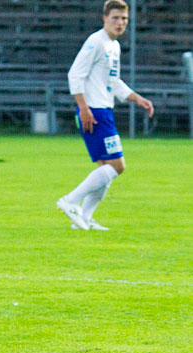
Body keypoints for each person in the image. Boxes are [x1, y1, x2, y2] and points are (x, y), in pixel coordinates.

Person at [58, 0, 154, 231]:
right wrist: (84, 108)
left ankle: (85, 219)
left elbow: (113, 81)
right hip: (94, 112)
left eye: (124, 19)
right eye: (115, 18)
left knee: (105, 168)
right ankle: (70, 201)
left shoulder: (114, 46)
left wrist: (136, 97)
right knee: (118, 165)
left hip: (103, 110)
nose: (120, 23)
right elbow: (75, 74)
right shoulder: (96, 41)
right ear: (104, 19)